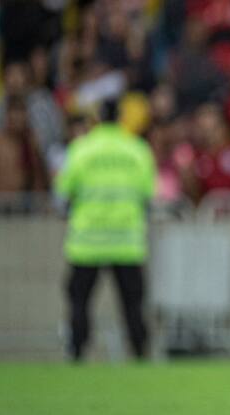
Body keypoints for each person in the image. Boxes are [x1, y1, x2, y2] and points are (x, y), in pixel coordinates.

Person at [55, 100, 155, 361]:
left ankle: (77, 351)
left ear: (97, 118)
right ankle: (140, 353)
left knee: (79, 301)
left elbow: (64, 190)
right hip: (126, 240)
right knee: (132, 304)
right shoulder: (137, 149)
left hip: (88, 240)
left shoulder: (81, 149)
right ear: (121, 117)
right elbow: (147, 193)